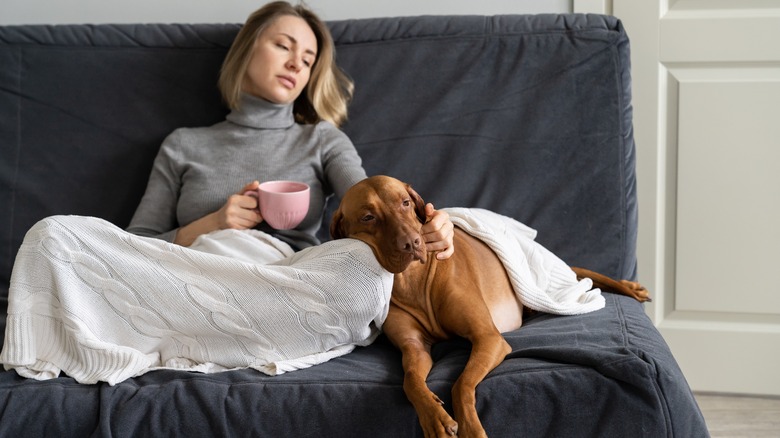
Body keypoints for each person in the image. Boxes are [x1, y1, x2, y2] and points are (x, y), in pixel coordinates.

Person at [126, 0, 455, 258]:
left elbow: (371, 203)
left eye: (308, 60)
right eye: (284, 46)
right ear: (247, 49)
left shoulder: (321, 138)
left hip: (289, 274)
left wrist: (431, 226)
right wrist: (213, 224)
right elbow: (131, 247)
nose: (297, 64)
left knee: (363, 277)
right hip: (198, 269)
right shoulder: (183, 144)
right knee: (75, 236)